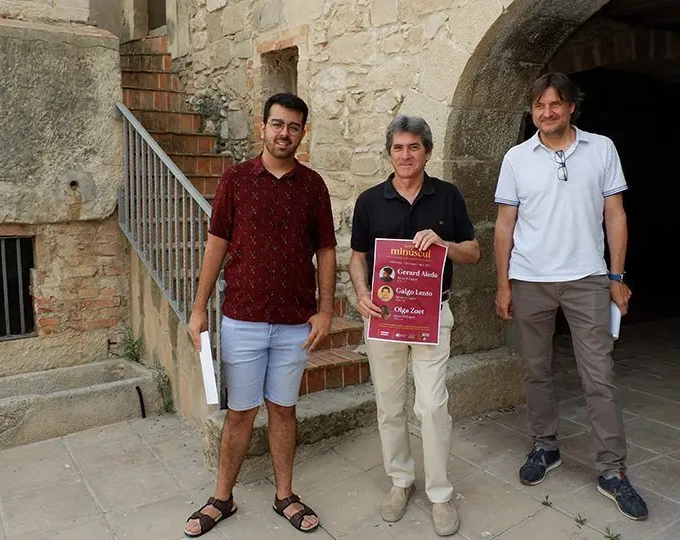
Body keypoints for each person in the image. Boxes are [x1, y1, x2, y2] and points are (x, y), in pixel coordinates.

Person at [493, 73, 648, 521]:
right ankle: (545, 447)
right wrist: (503, 284)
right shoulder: (517, 158)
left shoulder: (601, 149)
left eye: (555, 104)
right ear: (532, 110)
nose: (547, 113)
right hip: (529, 279)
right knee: (536, 370)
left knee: (598, 375)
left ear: (571, 107)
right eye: (539, 106)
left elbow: (615, 215)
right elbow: (505, 225)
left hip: (587, 278)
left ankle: (612, 471)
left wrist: (616, 275)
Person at [184, 93, 337, 537]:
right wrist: (198, 310)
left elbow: (326, 250)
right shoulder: (235, 181)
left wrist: (326, 310)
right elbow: (217, 245)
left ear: (302, 132)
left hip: (295, 324)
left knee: (284, 410)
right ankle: (221, 498)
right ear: (263, 127)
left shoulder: (313, 186)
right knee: (240, 415)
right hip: (243, 320)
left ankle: (285, 495)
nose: (283, 133)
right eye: (276, 124)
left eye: (293, 126)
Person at [350, 115, 480, 537]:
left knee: (432, 406)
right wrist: (361, 292)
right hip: (383, 318)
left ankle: (440, 494)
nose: (405, 155)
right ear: (389, 153)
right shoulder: (370, 201)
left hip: (432, 316)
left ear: (427, 150)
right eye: (398, 148)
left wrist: (444, 244)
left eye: (413, 147)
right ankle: (400, 481)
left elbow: (474, 252)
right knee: (389, 404)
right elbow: (357, 257)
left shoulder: (448, 197)